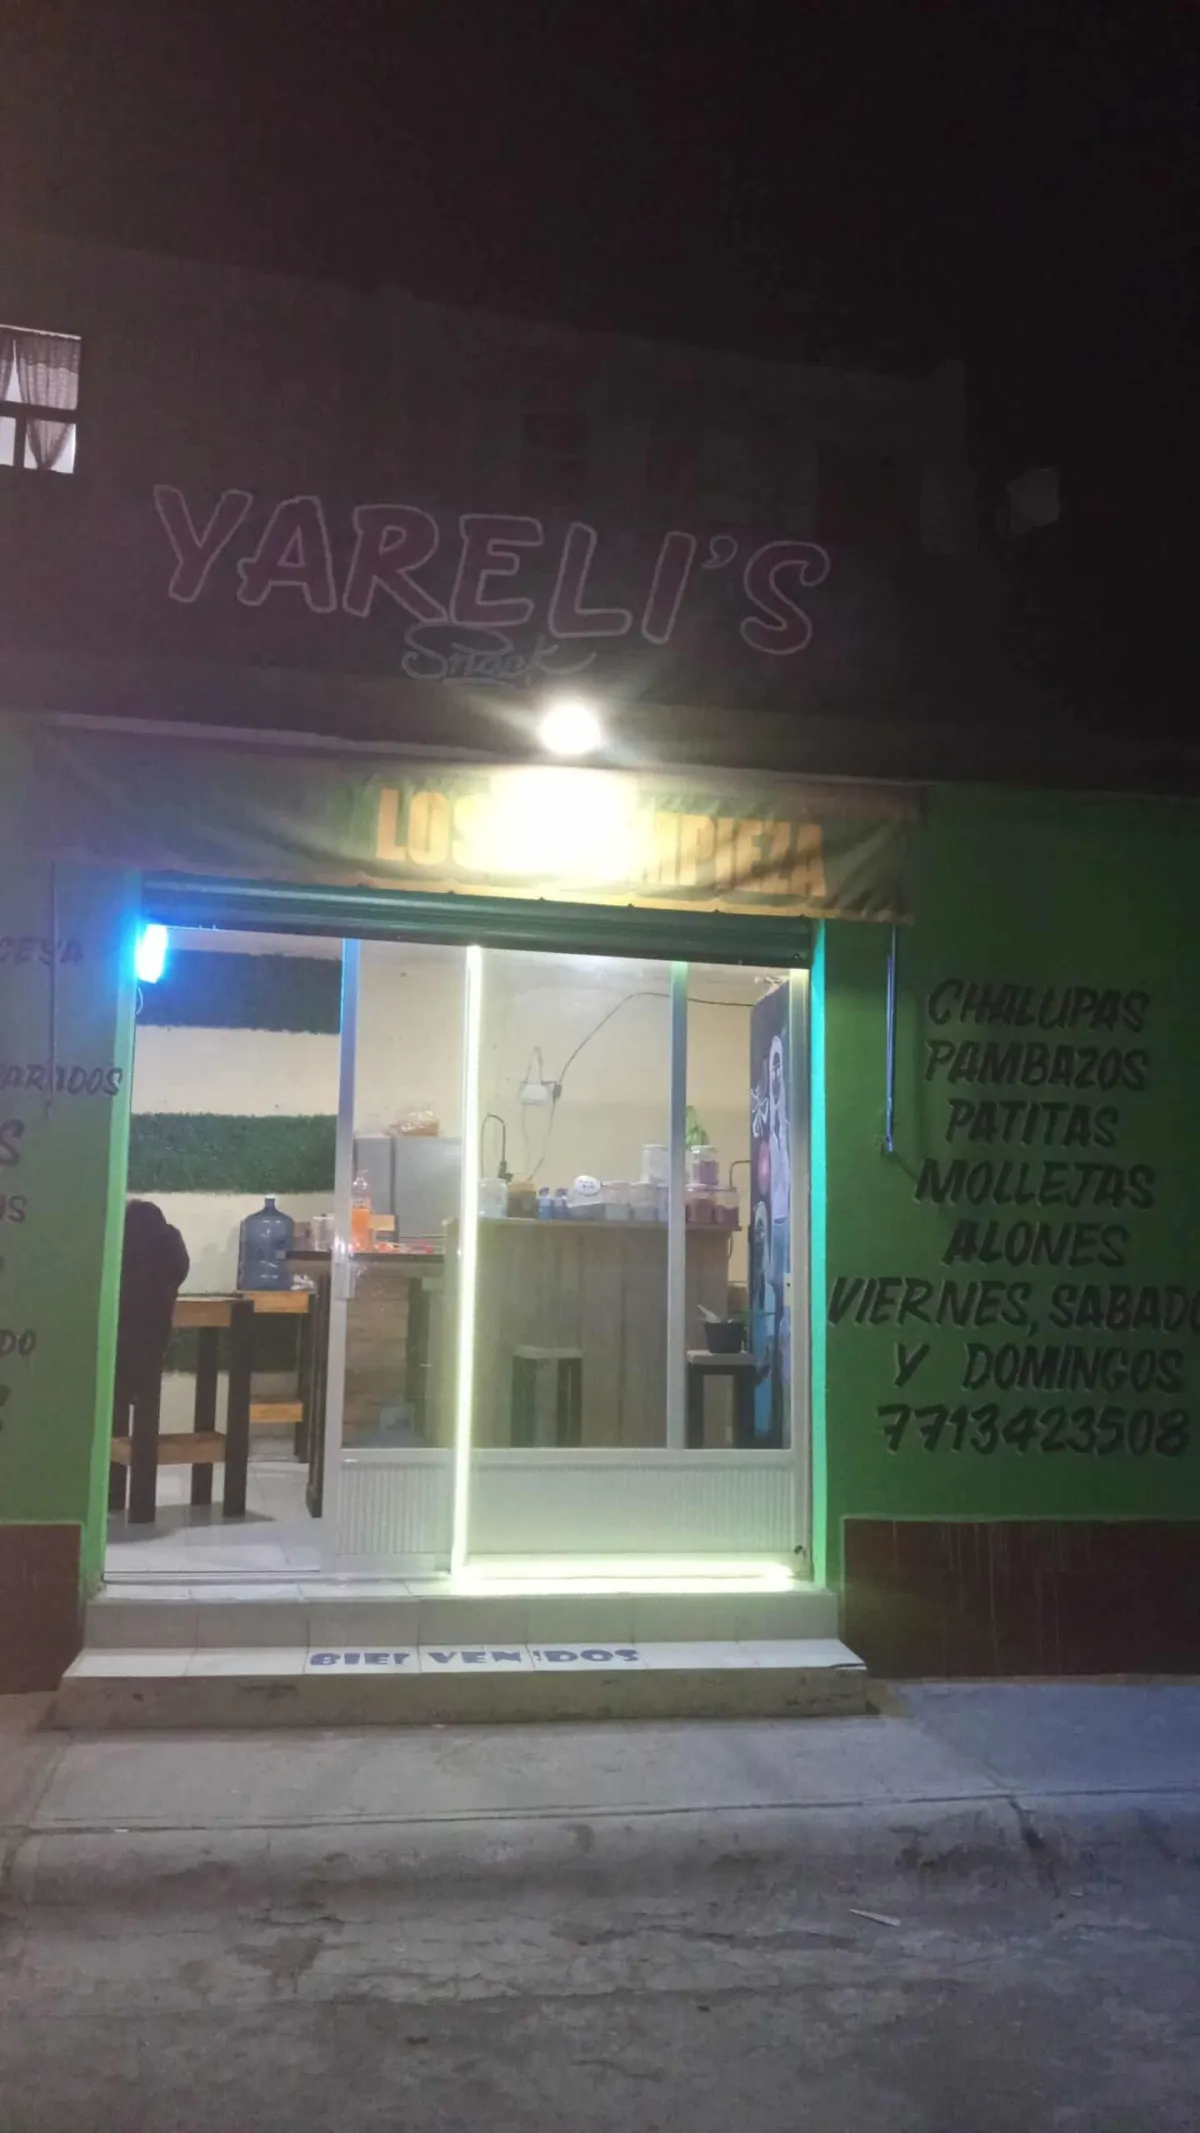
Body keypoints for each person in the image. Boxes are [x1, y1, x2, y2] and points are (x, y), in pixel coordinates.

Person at [110, 1200, 190, 1506]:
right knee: (147, 1403)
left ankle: (113, 1492)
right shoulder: (169, 1240)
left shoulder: (118, 1238)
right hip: (154, 1334)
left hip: (119, 1333)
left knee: (115, 1406)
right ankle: (142, 1501)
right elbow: (180, 1270)